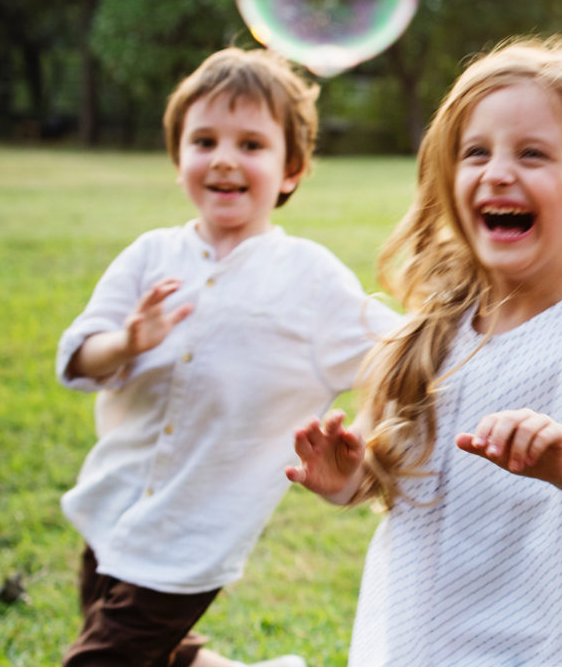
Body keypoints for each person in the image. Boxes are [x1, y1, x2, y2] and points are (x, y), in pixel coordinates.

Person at [283, 37, 562, 667]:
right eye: (476, 152)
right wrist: (345, 479)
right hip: (412, 631)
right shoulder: (428, 331)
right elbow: (380, 468)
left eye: (533, 154)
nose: (497, 171)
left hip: (528, 639)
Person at [55, 48, 398, 667]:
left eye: (250, 145)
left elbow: (402, 349)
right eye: (204, 140)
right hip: (112, 503)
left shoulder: (309, 279)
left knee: (99, 660)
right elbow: (80, 357)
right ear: (179, 156)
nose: (223, 159)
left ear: (290, 169)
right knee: (154, 650)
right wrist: (129, 342)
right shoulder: (149, 256)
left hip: (193, 532)